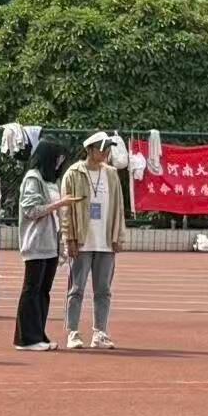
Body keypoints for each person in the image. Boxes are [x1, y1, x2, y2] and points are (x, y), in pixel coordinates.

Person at [61, 132, 125, 350]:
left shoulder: (111, 174)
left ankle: (100, 332)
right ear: (89, 149)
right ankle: (72, 332)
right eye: (102, 148)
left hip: (105, 241)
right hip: (82, 240)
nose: (106, 152)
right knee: (76, 288)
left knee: (103, 290)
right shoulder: (74, 173)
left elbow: (119, 207)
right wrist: (68, 237)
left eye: (108, 148)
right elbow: (66, 209)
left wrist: (118, 236)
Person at [14, 141, 74, 351]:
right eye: (57, 158)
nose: (59, 163)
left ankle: (38, 333)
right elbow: (31, 210)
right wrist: (60, 204)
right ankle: (26, 338)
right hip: (36, 241)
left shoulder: (51, 181)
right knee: (32, 290)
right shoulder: (33, 178)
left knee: (43, 291)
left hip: (51, 242)